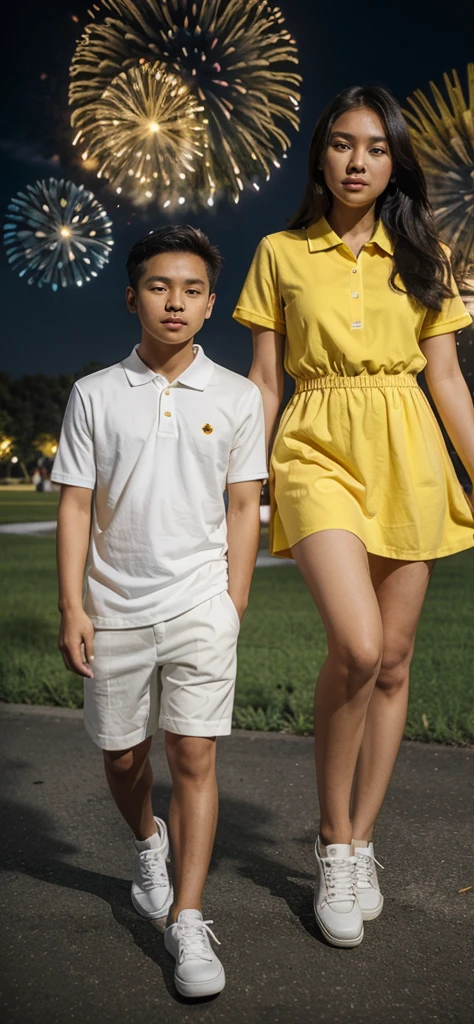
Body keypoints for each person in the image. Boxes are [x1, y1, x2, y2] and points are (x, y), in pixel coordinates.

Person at [233, 84, 474, 948]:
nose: (359, 161)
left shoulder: (424, 252)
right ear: (321, 155)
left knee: (392, 661)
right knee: (354, 643)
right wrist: (240, 474)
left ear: (395, 163)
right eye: (344, 145)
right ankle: (331, 834)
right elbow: (266, 381)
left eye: (376, 148)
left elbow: (447, 377)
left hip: (409, 449)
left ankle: (357, 840)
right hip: (314, 444)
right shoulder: (279, 252)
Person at [52, 226, 267, 996]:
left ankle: (188, 916)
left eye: (190, 290)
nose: (174, 301)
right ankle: (149, 838)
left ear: (212, 304)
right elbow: (76, 505)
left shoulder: (239, 396)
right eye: (157, 286)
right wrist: (73, 603)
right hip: (114, 604)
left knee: (195, 757)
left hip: (202, 603)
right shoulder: (94, 394)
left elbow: (245, 506)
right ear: (134, 296)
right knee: (120, 757)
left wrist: (233, 601)